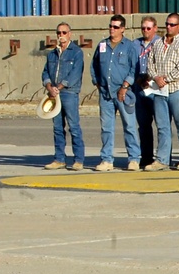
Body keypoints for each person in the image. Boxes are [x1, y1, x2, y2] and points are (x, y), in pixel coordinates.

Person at [91, 15, 140, 171]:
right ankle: (106, 159)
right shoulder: (102, 45)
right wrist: (97, 83)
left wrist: (125, 86)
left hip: (124, 93)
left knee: (129, 126)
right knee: (106, 128)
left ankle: (133, 159)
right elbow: (95, 66)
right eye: (111, 26)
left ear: (123, 28)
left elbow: (135, 68)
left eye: (116, 27)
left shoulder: (129, 47)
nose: (112, 29)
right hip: (106, 93)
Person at [146, 13, 179, 171]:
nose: (169, 27)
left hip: (178, 89)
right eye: (167, 24)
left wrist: (167, 78)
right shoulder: (157, 43)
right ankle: (162, 159)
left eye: (173, 24)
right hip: (160, 91)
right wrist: (156, 77)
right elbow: (150, 62)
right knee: (162, 126)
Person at [41, 22, 85, 171]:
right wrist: (49, 87)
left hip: (69, 93)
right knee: (58, 128)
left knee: (74, 127)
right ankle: (59, 158)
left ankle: (78, 159)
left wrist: (59, 87)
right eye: (59, 33)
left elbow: (75, 74)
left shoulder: (76, 52)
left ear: (70, 34)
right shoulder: (52, 53)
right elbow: (45, 72)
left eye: (64, 32)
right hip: (54, 94)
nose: (61, 36)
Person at [134, 17, 161, 168]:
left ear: (155, 28)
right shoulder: (135, 44)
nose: (145, 30)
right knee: (143, 125)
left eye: (148, 28)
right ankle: (146, 156)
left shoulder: (160, 43)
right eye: (143, 28)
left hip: (155, 87)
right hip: (139, 87)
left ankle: (163, 157)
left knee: (161, 125)